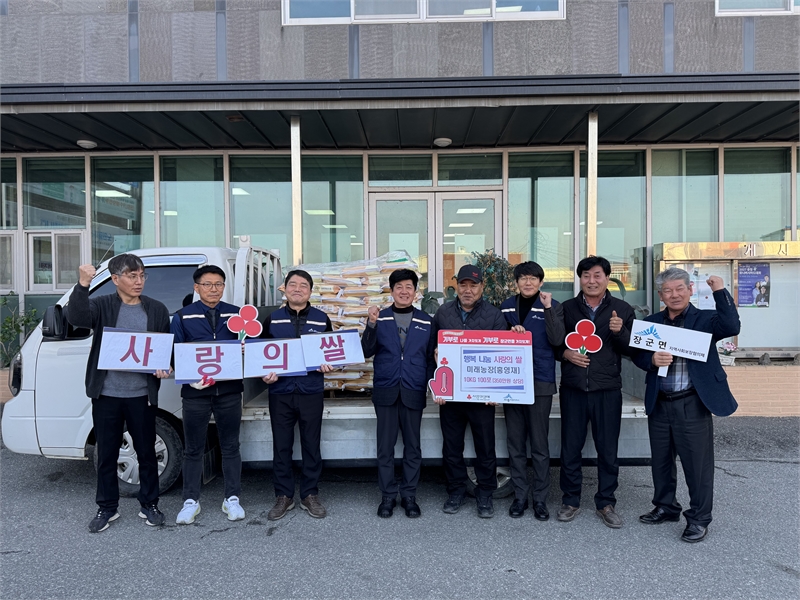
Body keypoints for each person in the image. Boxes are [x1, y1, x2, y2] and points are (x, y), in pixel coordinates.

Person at [632, 268, 740, 543]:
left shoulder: (706, 319)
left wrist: (719, 290)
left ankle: (699, 519)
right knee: (661, 461)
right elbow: (638, 356)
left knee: (697, 465)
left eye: (679, 288)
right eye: (668, 291)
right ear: (660, 295)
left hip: (692, 401)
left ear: (690, 289)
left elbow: (731, 326)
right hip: (660, 401)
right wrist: (651, 361)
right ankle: (666, 507)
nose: (674, 295)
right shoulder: (651, 322)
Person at [67, 254, 171, 533]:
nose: (139, 281)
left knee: (147, 452)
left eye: (142, 276)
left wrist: (165, 365)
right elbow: (77, 318)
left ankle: (149, 504)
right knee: (107, 453)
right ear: (115, 279)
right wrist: (82, 285)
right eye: (132, 276)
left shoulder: (156, 309)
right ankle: (107, 507)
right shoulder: (102, 304)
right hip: (107, 393)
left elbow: (164, 346)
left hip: (141, 394)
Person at [557, 256, 635, 529]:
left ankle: (606, 502)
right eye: (586, 275)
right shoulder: (567, 308)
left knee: (607, 449)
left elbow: (633, 349)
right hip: (573, 388)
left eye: (597, 275)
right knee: (570, 447)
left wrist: (620, 332)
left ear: (607, 278)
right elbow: (553, 342)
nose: (591, 281)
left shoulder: (622, 309)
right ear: (580, 278)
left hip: (607, 389)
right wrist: (565, 353)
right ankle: (570, 500)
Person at [171, 265, 245, 525]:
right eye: (207, 284)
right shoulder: (182, 316)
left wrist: (246, 349)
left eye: (218, 284)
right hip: (195, 393)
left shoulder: (237, 315)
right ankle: (190, 501)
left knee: (231, 446)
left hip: (229, 391)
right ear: (196, 287)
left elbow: (252, 349)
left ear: (224, 286)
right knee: (193, 448)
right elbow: (175, 354)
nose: (213, 289)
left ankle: (232, 498)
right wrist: (192, 380)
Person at [432, 265, 508, 518]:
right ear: (456, 287)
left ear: (481, 287)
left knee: (485, 446)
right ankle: (455, 490)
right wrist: (437, 386)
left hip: (482, 396)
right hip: (451, 395)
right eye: (463, 285)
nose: (467, 290)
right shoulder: (443, 313)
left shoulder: (494, 316)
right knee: (451, 446)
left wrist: (496, 391)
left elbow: (500, 356)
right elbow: (431, 351)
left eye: (473, 285)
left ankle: (485, 493)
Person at [361, 269, 436, 519]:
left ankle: (409, 496)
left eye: (409, 287)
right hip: (386, 389)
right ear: (391, 291)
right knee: (385, 447)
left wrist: (431, 383)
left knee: (413, 446)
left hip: (414, 389)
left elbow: (431, 358)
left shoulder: (426, 320)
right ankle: (388, 496)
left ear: (416, 292)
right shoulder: (379, 317)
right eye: (399, 287)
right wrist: (371, 324)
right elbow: (366, 350)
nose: (404, 291)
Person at [260, 270, 334, 520]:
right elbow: (261, 354)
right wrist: (264, 375)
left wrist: (330, 364)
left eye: (303, 285)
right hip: (280, 391)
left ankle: (309, 494)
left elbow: (331, 350)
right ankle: (284, 495)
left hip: (311, 390)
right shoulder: (272, 319)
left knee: (312, 445)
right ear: (285, 289)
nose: (298, 289)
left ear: (310, 291)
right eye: (293, 284)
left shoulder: (321, 319)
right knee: (281, 446)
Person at [499, 261, 565, 520]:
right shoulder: (506, 306)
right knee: (515, 443)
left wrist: (547, 309)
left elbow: (557, 339)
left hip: (540, 381)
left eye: (533, 278)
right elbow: (494, 337)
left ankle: (540, 499)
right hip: (511, 382)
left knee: (539, 444)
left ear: (541, 282)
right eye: (523, 278)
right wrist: (509, 331)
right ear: (516, 282)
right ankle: (519, 497)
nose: (528, 283)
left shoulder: (552, 305)